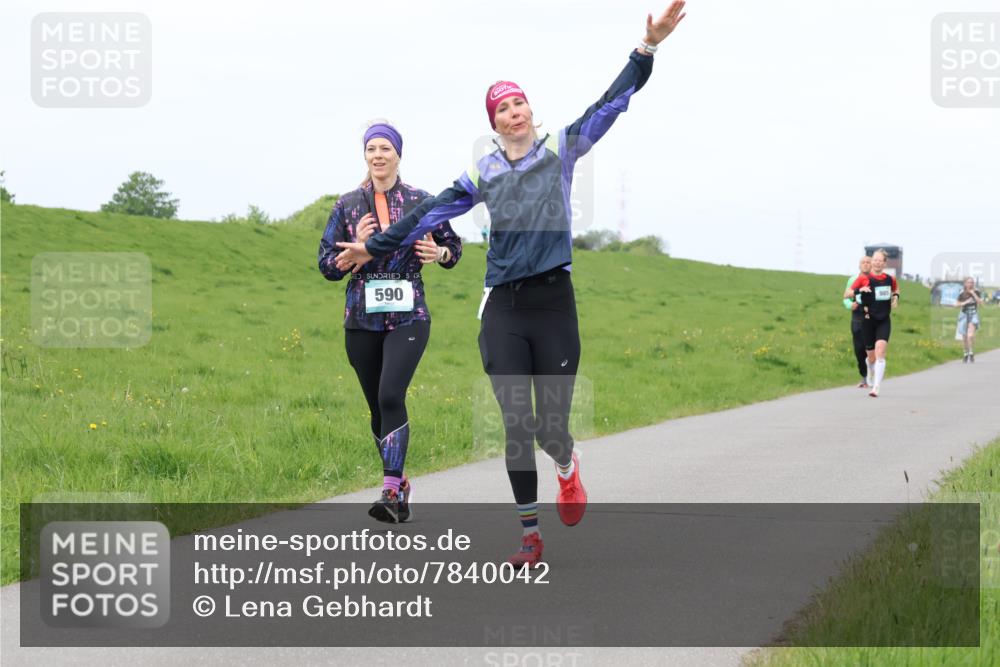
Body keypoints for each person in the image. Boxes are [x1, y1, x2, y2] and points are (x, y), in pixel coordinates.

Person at [334, 3, 688, 566]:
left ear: (530, 110)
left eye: (519, 102)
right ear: (493, 122)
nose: (514, 112)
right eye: (503, 108)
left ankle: (567, 468)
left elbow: (612, 104)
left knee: (551, 429)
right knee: (516, 426)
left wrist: (646, 49)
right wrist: (369, 247)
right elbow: (422, 216)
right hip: (503, 305)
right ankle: (529, 535)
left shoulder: (561, 149)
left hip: (553, 304)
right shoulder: (483, 173)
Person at [318, 121, 462, 523]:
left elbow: (453, 247)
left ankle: (389, 489)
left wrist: (440, 255)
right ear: (364, 156)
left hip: (408, 313)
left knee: (390, 395)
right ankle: (400, 485)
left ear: (399, 153)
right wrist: (352, 252)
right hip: (361, 317)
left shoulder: (423, 201)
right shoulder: (346, 206)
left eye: (385, 148)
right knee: (377, 412)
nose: (378, 155)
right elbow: (326, 266)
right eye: (371, 149)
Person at [845, 249, 899, 398]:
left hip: (884, 320)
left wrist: (896, 297)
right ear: (872, 261)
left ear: (884, 263)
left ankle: (876, 387)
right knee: (871, 357)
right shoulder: (864, 278)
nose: (876, 262)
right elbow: (847, 294)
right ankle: (869, 370)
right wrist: (859, 290)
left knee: (880, 351)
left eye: (880, 260)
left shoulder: (890, 278)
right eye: (874, 260)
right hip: (867, 318)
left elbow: (896, 289)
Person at [843, 256, 872, 387]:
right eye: (863, 262)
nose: (866, 264)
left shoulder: (875, 280)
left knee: (870, 348)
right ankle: (864, 376)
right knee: (859, 349)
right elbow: (845, 298)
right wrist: (850, 305)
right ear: (859, 265)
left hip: (871, 314)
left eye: (868, 262)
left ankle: (871, 376)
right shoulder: (852, 280)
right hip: (857, 314)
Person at [955, 277, 982, 363]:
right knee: (964, 336)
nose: (971, 284)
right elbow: (956, 304)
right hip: (963, 315)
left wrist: (973, 294)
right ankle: (965, 353)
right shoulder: (961, 293)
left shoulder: (977, 291)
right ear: (965, 284)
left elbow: (980, 302)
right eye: (969, 282)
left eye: (972, 282)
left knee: (970, 336)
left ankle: (971, 352)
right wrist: (965, 302)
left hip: (973, 314)